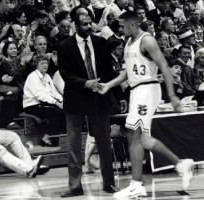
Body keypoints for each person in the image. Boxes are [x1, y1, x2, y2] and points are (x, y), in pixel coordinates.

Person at [98, 11, 194, 199]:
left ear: (132, 25)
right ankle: (181, 164)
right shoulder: (128, 42)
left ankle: (137, 185)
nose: (121, 28)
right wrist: (108, 85)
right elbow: (128, 72)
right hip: (137, 90)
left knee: (133, 135)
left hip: (147, 89)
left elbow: (165, 66)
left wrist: (173, 96)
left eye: (123, 25)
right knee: (144, 139)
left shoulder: (147, 41)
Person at [57, 13, 126, 198]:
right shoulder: (64, 46)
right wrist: (84, 83)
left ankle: (109, 183)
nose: (89, 27)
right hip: (76, 98)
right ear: (76, 25)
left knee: (104, 141)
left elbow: (109, 71)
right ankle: (74, 186)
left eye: (90, 23)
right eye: (85, 24)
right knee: (73, 144)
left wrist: (119, 95)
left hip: (98, 97)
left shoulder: (100, 42)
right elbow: (65, 73)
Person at [23, 54, 65, 147]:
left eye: (46, 63)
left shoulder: (47, 76)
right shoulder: (32, 76)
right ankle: (46, 138)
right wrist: (56, 103)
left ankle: (60, 138)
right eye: (42, 63)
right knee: (57, 112)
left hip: (43, 104)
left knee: (65, 110)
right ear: (36, 65)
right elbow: (40, 95)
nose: (45, 65)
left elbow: (53, 91)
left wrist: (62, 101)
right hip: (32, 105)